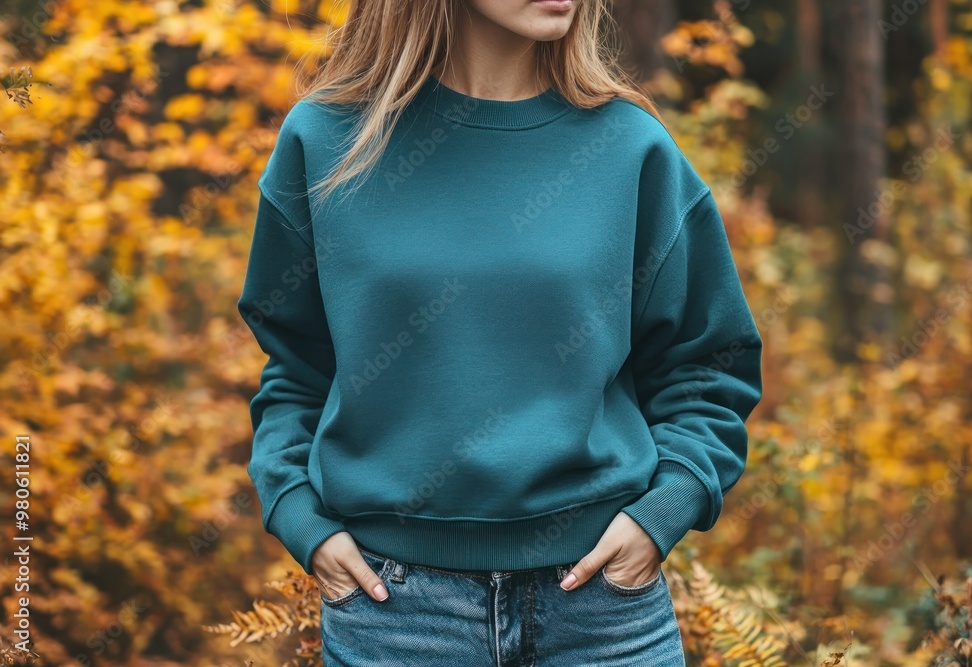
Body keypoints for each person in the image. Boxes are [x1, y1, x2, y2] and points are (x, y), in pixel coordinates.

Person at [237, 0, 764, 664]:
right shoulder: (326, 142)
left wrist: (663, 512)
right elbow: (294, 368)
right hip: (393, 615)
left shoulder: (630, 148)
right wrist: (299, 514)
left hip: (602, 610)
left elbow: (708, 364)